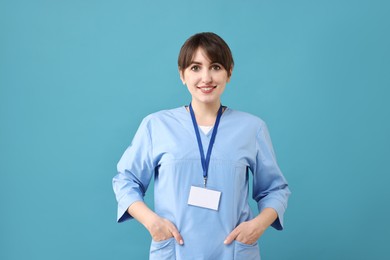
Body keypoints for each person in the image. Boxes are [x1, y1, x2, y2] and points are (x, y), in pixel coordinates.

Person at [112, 32, 291, 260]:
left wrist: (257, 226)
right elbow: (125, 181)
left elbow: (275, 189)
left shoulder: (251, 128)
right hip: (174, 251)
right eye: (195, 68)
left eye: (215, 67)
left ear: (229, 72)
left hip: (234, 252)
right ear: (182, 74)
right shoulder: (156, 126)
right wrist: (152, 222)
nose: (206, 78)